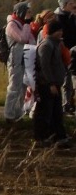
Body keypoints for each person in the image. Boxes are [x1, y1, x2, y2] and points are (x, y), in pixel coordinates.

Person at [32, 17, 70, 146]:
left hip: (55, 84)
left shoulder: (57, 44)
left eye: (61, 30)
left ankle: (58, 137)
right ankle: (41, 138)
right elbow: (45, 66)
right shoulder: (46, 45)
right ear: (52, 31)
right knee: (45, 112)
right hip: (47, 85)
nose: (61, 33)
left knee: (56, 113)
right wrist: (51, 84)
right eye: (58, 30)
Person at [4, 2, 36, 121]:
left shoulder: (22, 24)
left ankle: (18, 112)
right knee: (14, 86)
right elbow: (22, 38)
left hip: (25, 58)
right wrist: (27, 24)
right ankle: (9, 114)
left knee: (22, 87)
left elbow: (31, 40)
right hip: (15, 60)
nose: (30, 15)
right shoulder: (12, 25)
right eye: (28, 12)